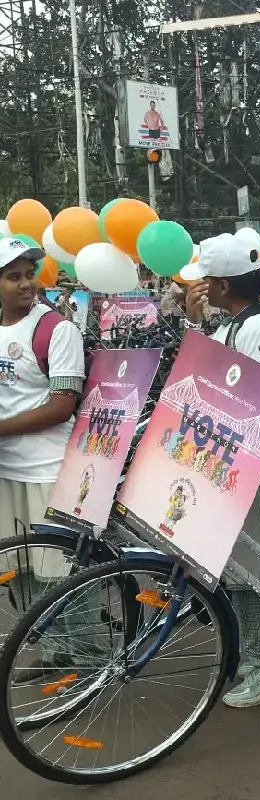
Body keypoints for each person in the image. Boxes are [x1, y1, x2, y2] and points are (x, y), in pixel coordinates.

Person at [178, 234, 260, 709]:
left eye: (206, 282)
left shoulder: (258, 327)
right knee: (256, 563)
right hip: (236, 460)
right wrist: (194, 322)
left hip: (251, 464)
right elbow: (204, 368)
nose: (201, 289)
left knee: (252, 567)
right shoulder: (237, 324)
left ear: (223, 286)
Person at [0, 237, 87, 675]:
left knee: (61, 574)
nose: (25, 284)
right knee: (22, 571)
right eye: (12, 276)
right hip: (7, 472)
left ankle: (87, 661)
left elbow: (62, 405)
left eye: (28, 275)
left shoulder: (56, 329)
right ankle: (55, 654)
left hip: (49, 469)